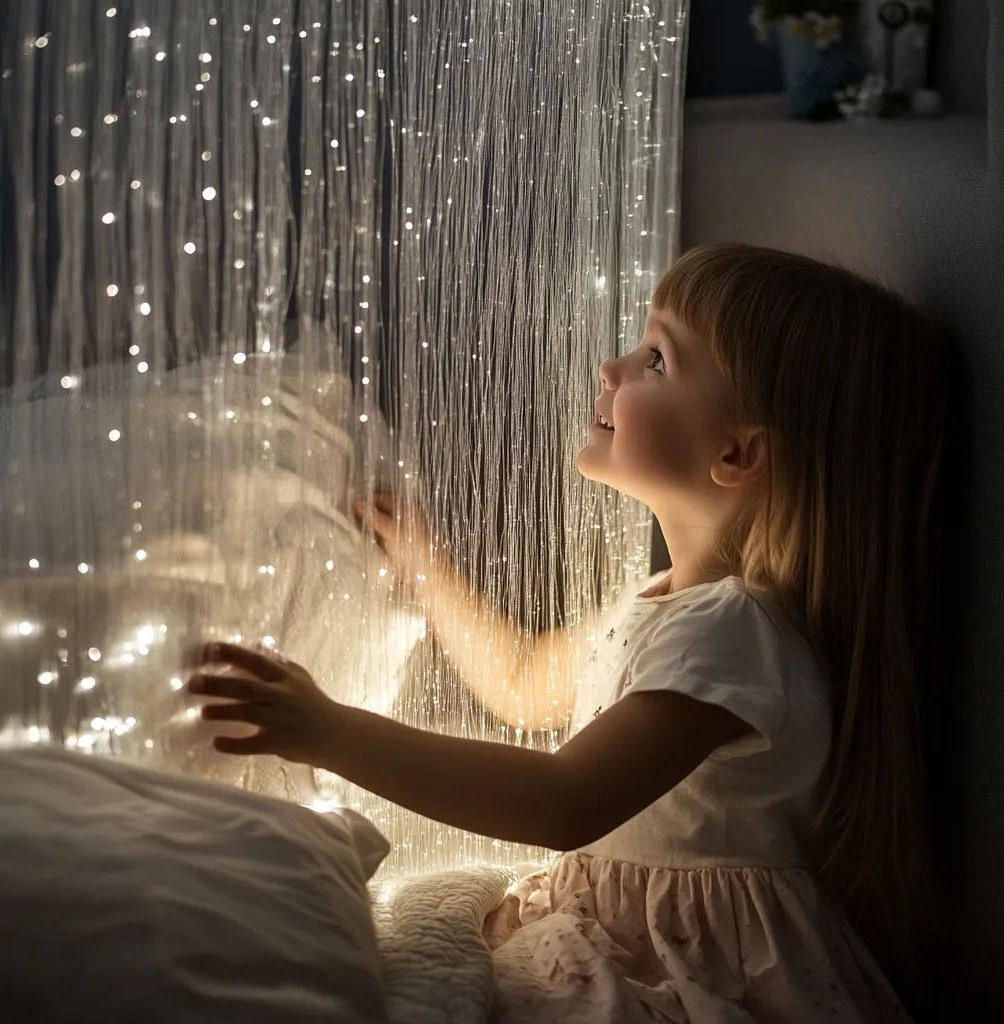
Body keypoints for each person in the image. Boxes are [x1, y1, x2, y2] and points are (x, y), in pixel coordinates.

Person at [187, 242, 947, 1022]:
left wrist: (330, 733)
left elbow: (563, 803)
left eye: (657, 360)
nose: (611, 369)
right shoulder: (669, 604)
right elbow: (522, 685)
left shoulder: (733, 632)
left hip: (689, 972)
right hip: (624, 932)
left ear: (737, 453)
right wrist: (430, 570)